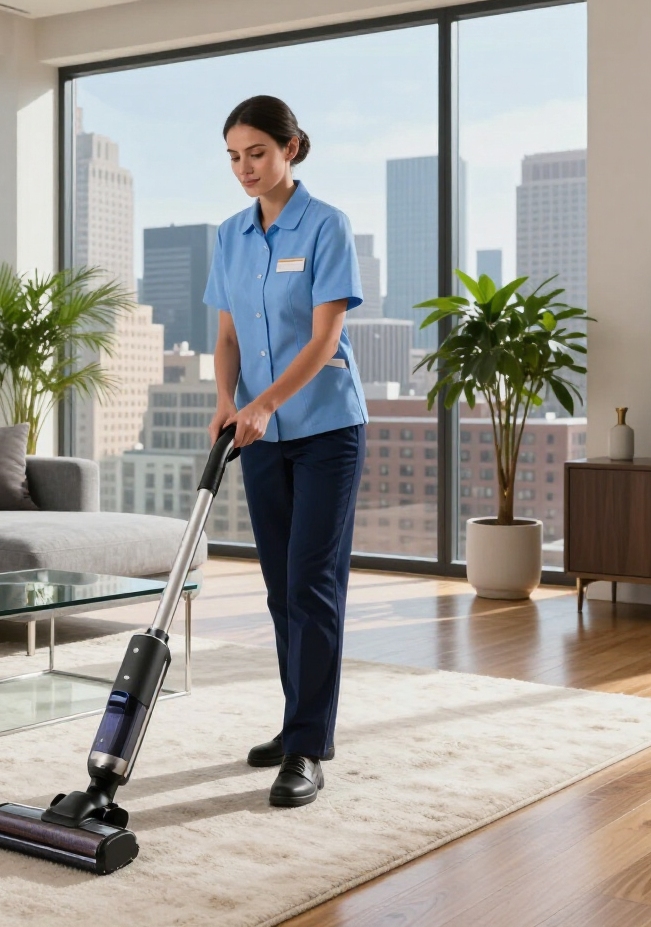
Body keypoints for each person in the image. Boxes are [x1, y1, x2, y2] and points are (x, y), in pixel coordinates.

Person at [204, 95, 368, 808]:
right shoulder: (230, 236)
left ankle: (308, 747)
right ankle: (294, 721)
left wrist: (266, 402)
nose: (245, 168)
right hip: (259, 433)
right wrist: (225, 399)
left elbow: (324, 339)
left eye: (258, 153)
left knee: (312, 584)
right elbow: (229, 336)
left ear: (291, 148)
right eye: (235, 157)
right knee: (279, 589)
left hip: (326, 428)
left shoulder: (327, 225)